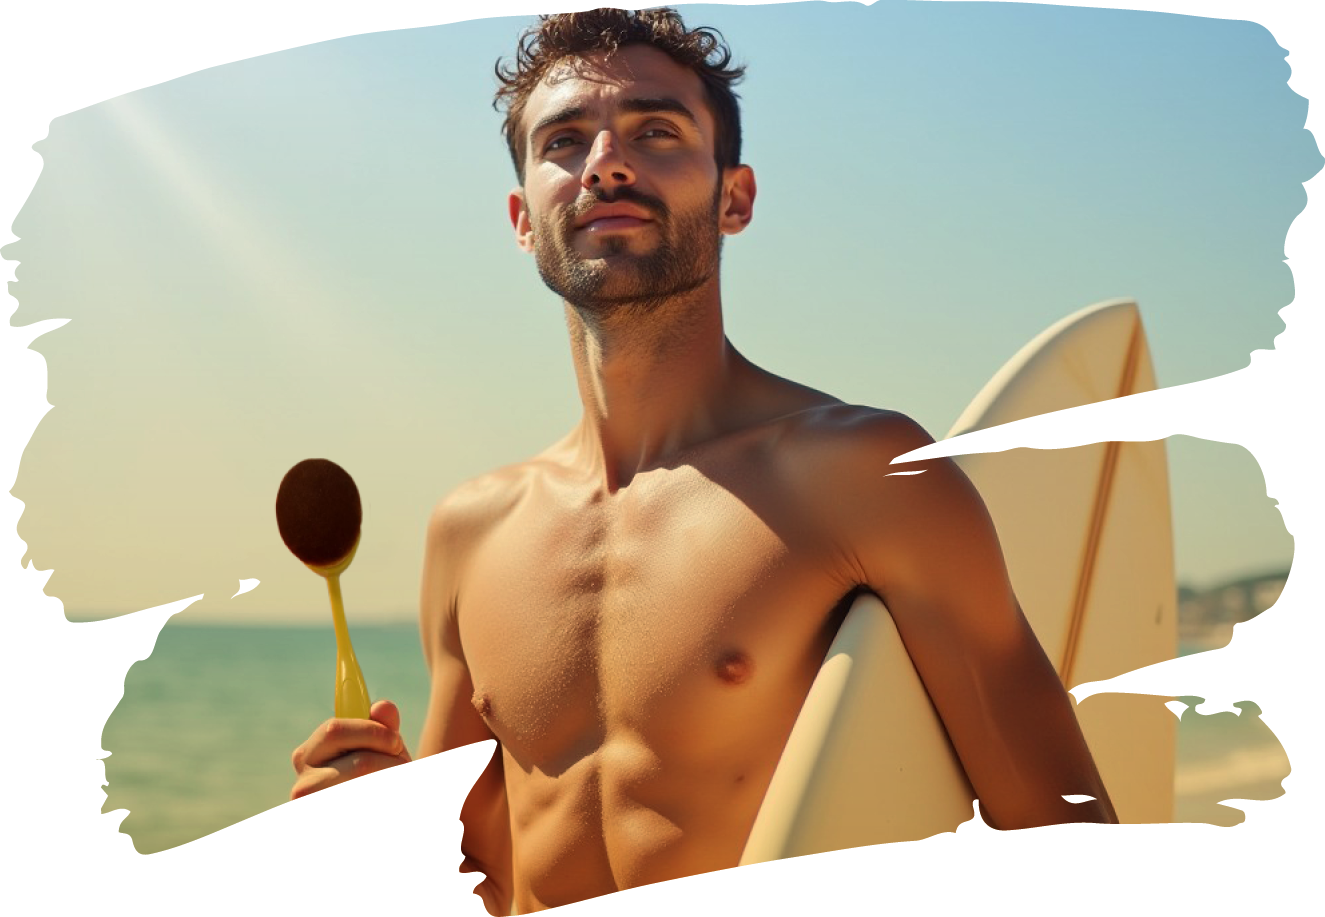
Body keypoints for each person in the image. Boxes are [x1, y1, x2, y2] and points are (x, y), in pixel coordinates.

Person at [290, 9, 1117, 914]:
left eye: (656, 131)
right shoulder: (472, 532)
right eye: (564, 140)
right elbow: (479, 876)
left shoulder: (860, 473)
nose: (606, 161)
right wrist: (370, 825)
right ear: (524, 218)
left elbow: (1069, 845)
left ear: (735, 197)